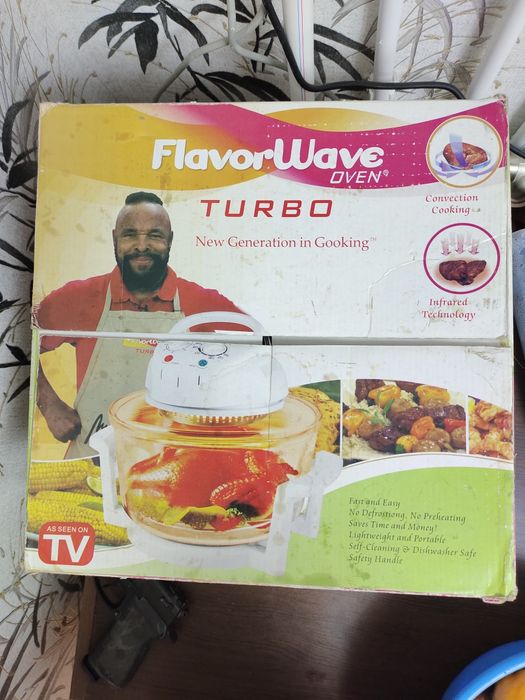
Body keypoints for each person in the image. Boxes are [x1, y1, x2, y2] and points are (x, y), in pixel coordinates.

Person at [35, 191, 244, 456]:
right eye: (130, 234)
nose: (141, 245)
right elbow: (15, 342)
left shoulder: (202, 303)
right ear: (115, 238)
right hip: (92, 461)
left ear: (170, 240)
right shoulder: (78, 298)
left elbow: (265, 353)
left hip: (177, 462)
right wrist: (49, 404)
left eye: (154, 235)